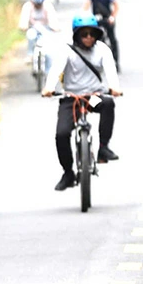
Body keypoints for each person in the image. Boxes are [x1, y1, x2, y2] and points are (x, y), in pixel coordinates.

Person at [42, 15, 123, 190]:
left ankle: (103, 147)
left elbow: (111, 70)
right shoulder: (67, 50)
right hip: (71, 98)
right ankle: (68, 173)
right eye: (84, 34)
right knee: (62, 134)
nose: (88, 38)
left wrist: (114, 87)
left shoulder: (102, 50)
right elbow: (56, 70)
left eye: (92, 34)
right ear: (76, 35)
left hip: (93, 97)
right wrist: (49, 87)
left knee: (108, 103)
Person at [81, 0, 121, 71]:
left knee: (112, 39)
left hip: (108, 18)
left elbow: (116, 5)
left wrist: (112, 17)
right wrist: (84, 16)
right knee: (96, 39)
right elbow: (86, 6)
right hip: (97, 19)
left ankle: (116, 61)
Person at [19, 0, 63, 67]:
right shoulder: (28, 6)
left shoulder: (48, 6)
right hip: (33, 29)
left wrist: (55, 27)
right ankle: (30, 55)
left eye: (40, 4)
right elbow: (24, 19)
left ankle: (48, 70)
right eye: (36, 4)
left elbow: (53, 18)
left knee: (49, 52)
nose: (38, 5)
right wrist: (23, 26)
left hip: (45, 29)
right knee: (30, 35)